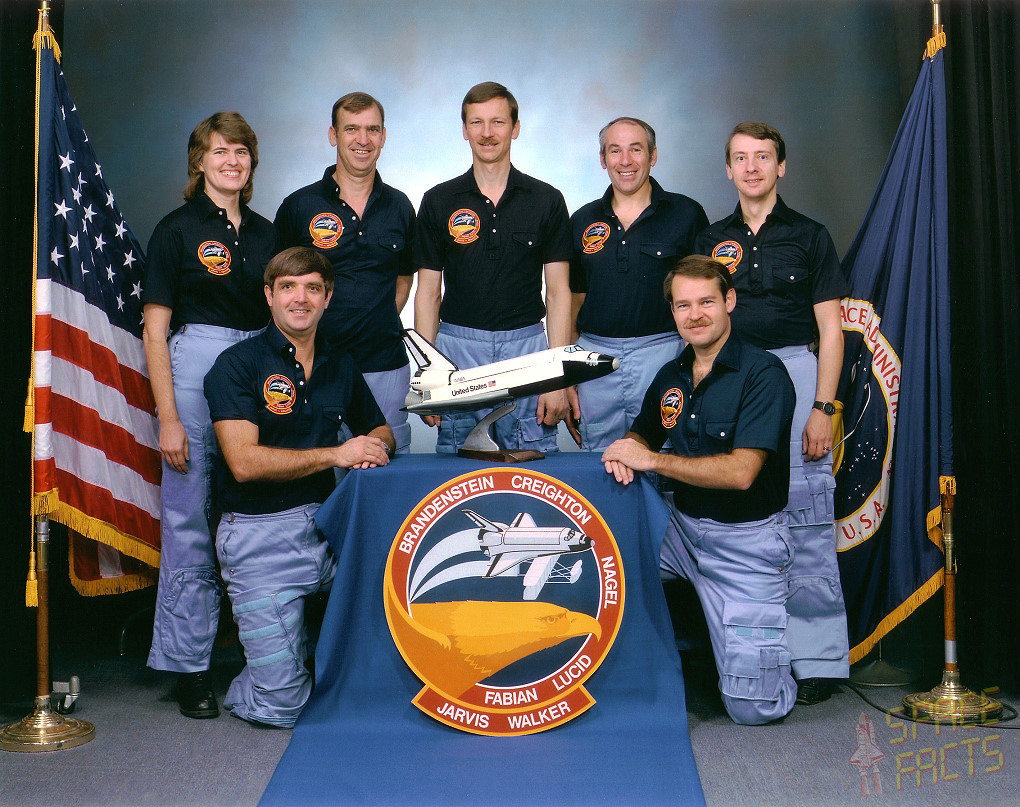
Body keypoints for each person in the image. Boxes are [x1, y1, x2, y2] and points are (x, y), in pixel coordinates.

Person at [204, 246, 394, 728]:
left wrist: (372, 446)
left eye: (313, 288)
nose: (301, 298)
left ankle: (295, 648)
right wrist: (337, 454)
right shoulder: (237, 364)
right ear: (269, 295)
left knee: (396, 616)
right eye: (288, 287)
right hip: (257, 536)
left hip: (326, 529)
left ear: (327, 298)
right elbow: (243, 463)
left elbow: (380, 429)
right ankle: (259, 673)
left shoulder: (339, 363)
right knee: (283, 707)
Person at [602, 255, 797, 725]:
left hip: (745, 544)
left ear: (729, 301)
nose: (695, 315)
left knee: (755, 710)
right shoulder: (672, 374)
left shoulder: (764, 373)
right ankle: (658, 663)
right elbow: (643, 432)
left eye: (706, 302)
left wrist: (651, 461)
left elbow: (741, 472)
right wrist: (624, 450)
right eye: (683, 305)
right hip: (680, 533)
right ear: (672, 312)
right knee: (598, 559)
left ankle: (762, 655)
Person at [695, 121, 850, 704]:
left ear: (780, 166)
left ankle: (818, 661)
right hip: (729, 376)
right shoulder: (710, 237)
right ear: (728, 169)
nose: (752, 167)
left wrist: (823, 407)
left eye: (763, 157)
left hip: (796, 372)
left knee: (806, 517)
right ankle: (751, 657)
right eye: (741, 158)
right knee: (736, 525)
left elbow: (831, 329)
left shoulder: (809, 235)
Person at [142, 112, 277, 719]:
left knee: (259, 511)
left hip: (255, 367)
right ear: (199, 161)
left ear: (252, 162)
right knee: (189, 518)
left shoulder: (268, 234)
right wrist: (168, 417)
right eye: (220, 151)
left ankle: (268, 656)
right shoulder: (175, 230)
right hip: (194, 364)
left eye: (241, 151)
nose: (232, 161)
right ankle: (189, 666)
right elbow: (155, 330)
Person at [413, 81, 573, 452]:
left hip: (529, 349)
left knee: (534, 459)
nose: (487, 133)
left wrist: (558, 376)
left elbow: (559, 292)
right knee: (461, 461)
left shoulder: (546, 200)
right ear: (465, 130)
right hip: (458, 351)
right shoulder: (438, 201)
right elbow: (428, 292)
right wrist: (428, 373)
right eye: (477, 122)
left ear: (515, 128)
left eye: (498, 122)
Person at [275, 92, 416, 454]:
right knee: (318, 470)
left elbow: (404, 277)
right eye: (351, 129)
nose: (362, 140)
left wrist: (375, 316)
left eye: (372, 130)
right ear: (333, 135)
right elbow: (277, 286)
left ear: (383, 136)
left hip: (385, 365)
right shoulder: (299, 206)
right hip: (315, 365)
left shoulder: (400, 206)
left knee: (385, 466)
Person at [569, 117, 708, 450]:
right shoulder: (582, 220)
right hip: (594, 361)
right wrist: (568, 374)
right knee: (600, 460)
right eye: (615, 151)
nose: (625, 161)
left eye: (636, 149)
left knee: (668, 456)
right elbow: (573, 301)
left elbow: (706, 296)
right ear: (603, 159)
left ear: (653, 155)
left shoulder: (686, 214)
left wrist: (697, 362)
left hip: (663, 355)